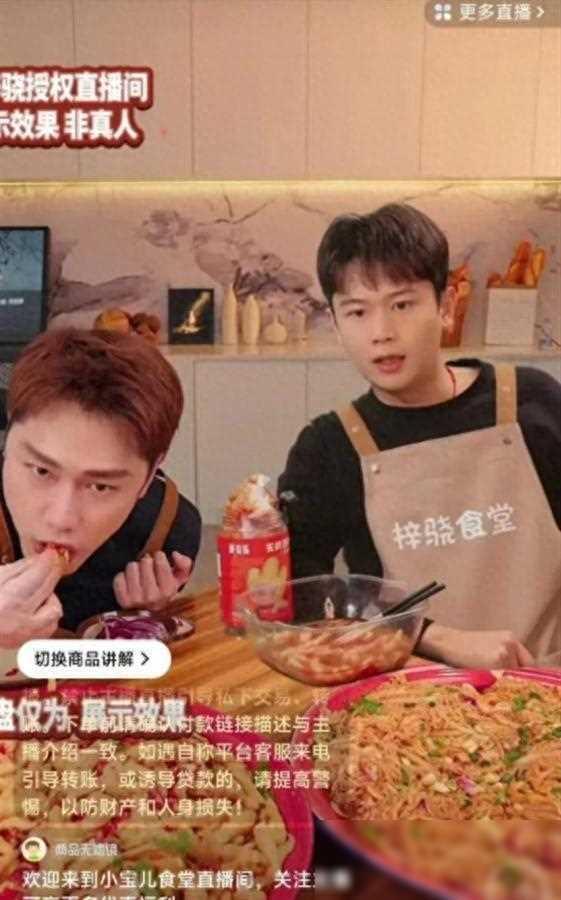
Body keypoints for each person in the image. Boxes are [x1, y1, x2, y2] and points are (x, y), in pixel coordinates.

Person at [279, 203, 561, 668]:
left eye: (402, 305)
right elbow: (302, 590)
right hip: (410, 691)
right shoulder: (328, 447)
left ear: (446, 306)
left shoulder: (531, 402)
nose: (381, 333)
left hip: (546, 678)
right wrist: (431, 636)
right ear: (336, 323)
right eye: (357, 312)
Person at [0, 328, 201, 647]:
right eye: (41, 470)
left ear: (150, 475)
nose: (61, 518)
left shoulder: (166, 531)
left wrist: (141, 620)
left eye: (100, 487)